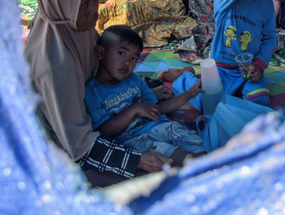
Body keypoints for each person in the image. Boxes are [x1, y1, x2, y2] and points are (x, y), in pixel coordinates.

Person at [24, 0, 171, 188]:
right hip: (68, 147)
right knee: (160, 181)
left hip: (100, 113)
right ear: (62, 5)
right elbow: (77, 143)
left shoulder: (76, 29)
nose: (95, 10)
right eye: (84, 5)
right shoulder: (53, 66)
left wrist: (149, 87)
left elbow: (103, 72)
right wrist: (138, 161)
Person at [160, 0, 285, 108]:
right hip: (220, 69)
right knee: (203, 103)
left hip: (248, 69)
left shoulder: (264, 2)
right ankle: (185, 75)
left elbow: (269, 37)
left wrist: (259, 65)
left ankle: (244, 88)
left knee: (259, 101)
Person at [84, 25, 206, 166]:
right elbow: (104, 131)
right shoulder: (92, 92)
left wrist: (190, 93)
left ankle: (207, 164)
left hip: (160, 126)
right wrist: (134, 109)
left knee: (181, 133)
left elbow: (157, 109)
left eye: (134, 58)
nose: (127, 62)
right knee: (166, 152)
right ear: (101, 53)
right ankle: (202, 170)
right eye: (121, 53)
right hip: (132, 140)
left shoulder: (134, 80)